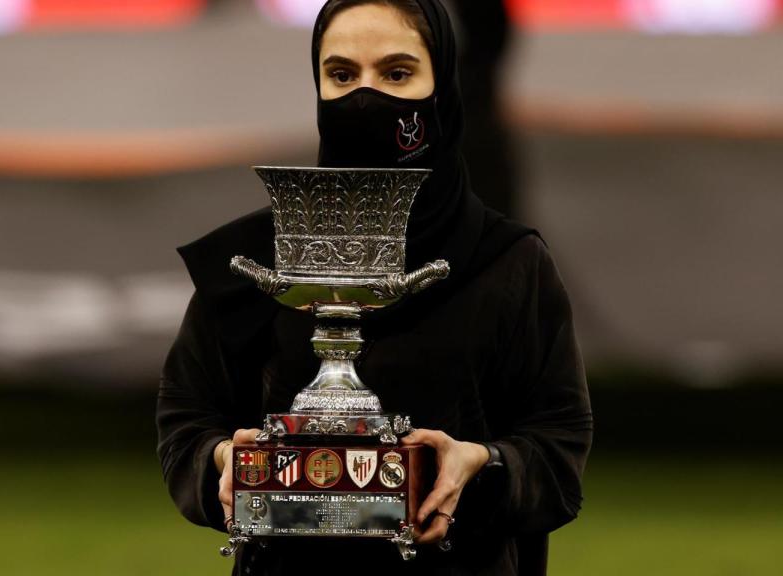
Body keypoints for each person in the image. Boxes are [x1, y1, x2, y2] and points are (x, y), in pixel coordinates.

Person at [156, 1, 593, 574]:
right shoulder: (252, 262)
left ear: (443, 85)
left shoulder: (508, 263)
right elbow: (185, 422)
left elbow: (558, 449)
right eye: (342, 75)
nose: (366, 97)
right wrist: (225, 462)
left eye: (396, 73)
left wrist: (481, 464)